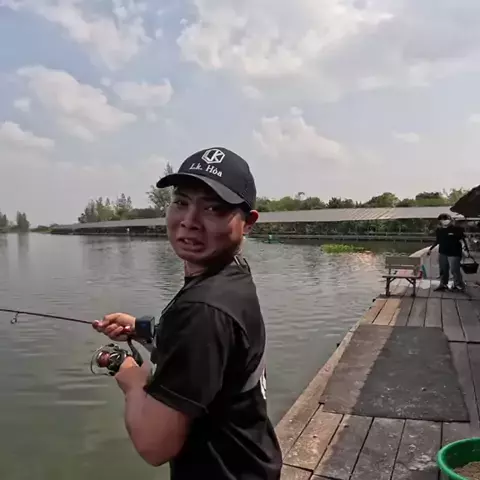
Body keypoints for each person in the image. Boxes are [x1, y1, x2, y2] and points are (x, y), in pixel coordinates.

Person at [92, 147, 283, 480]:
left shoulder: (203, 310)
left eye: (213, 208)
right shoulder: (232, 274)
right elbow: (216, 351)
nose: (189, 221)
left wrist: (133, 382)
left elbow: (154, 445)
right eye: (181, 202)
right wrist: (143, 330)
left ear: (248, 223)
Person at [427, 213, 470, 292]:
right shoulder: (439, 230)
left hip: (454, 253)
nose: (444, 221)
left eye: (446, 219)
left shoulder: (457, 229)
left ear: (450, 220)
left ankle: (458, 285)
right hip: (443, 252)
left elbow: (463, 240)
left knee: (454, 270)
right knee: (443, 270)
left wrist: (466, 250)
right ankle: (443, 284)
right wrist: (431, 249)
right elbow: (438, 240)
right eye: (442, 220)